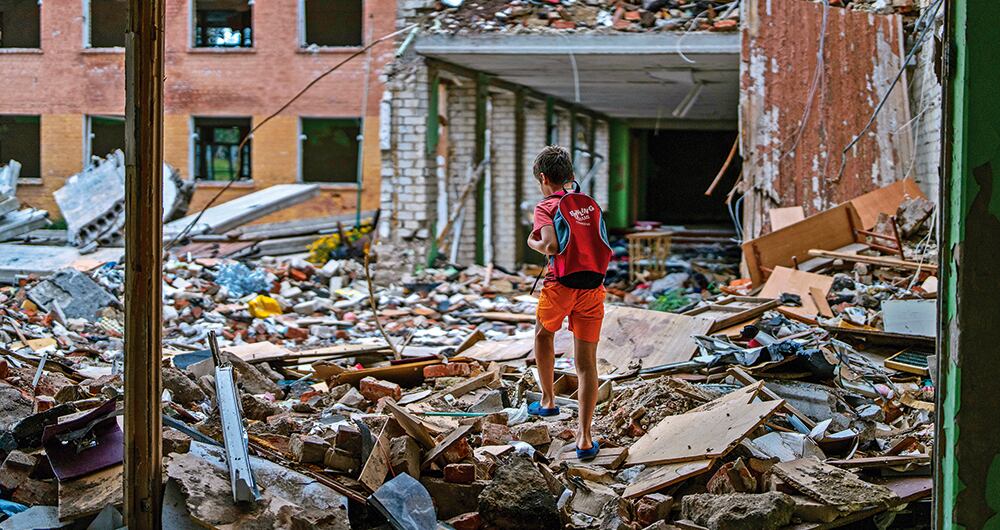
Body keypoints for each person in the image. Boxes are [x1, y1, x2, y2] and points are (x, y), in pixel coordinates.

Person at [526, 145, 610, 460]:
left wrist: (531, 241)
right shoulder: (587, 205)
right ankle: (585, 439)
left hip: (560, 285)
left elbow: (550, 246)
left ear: (543, 178)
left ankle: (548, 401)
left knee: (543, 334)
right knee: (587, 364)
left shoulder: (546, 206)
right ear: (570, 176)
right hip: (593, 287)